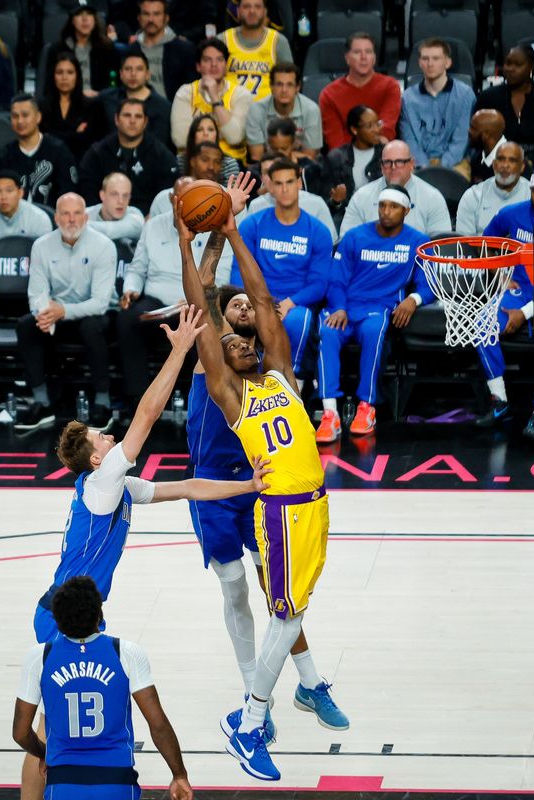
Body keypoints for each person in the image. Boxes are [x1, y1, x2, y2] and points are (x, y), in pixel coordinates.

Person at [17, 321, 271, 798]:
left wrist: (249, 485)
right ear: (95, 460)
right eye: (100, 438)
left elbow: (190, 487)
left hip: (75, 607)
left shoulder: (117, 489)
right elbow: (147, 415)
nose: (108, 437)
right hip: (59, 612)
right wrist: (177, 353)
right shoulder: (102, 483)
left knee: (56, 729)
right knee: (49, 733)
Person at [177, 186, 345, 784]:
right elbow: (199, 308)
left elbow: (267, 301)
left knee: (289, 612)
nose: (244, 340)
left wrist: (234, 231)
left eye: (251, 336)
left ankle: (282, 696)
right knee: (275, 608)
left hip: (307, 505)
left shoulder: (280, 377)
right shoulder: (231, 394)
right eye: (232, 339)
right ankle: (252, 715)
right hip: (261, 501)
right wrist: (189, 236)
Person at [13, 576, 195, 800]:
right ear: (99, 615)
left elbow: (20, 733)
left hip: (63, 784)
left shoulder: (39, 657)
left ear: (58, 621)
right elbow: (158, 724)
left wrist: (45, 754)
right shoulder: (125, 653)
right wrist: (179, 774)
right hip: (116, 783)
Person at [316, 183, 430, 442]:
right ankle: (329, 413)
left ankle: (366, 407)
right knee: (327, 331)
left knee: (374, 329)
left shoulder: (418, 242)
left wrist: (413, 299)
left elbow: (429, 283)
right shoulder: (355, 237)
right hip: (346, 306)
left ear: (406, 210)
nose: (386, 211)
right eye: (382, 205)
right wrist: (340, 307)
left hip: (380, 308)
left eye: (393, 207)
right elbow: (336, 279)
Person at [117, 177, 235, 405]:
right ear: (172, 199)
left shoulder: (213, 227)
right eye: (180, 198)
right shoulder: (153, 226)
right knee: (127, 319)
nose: (185, 203)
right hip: (157, 302)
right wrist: (130, 289)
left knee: (203, 326)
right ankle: (138, 399)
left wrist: (194, 298)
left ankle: (204, 399)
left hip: (196, 304)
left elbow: (219, 278)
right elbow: (137, 268)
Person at [471, 175, 534, 439]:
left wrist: (524, 313)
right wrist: (500, 274)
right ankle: (500, 401)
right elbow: (485, 243)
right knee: (482, 320)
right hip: (520, 289)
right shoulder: (511, 214)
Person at [14, 193, 117, 432]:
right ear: (56, 218)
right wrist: (44, 312)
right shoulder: (41, 246)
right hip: (58, 314)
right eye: (65, 214)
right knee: (26, 325)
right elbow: (36, 293)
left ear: (86, 217)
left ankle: (103, 402)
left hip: (96, 315)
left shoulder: (103, 246)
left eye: (77, 213)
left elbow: (100, 302)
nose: (71, 220)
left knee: (90, 327)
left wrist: (62, 311)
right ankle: (42, 402)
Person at [235, 159, 332, 381]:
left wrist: (289, 303)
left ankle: (293, 383)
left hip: (297, 302)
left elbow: (319, 284)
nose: (285, 189)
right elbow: (238, 271)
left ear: (300, 183)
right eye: (278, 183)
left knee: (298, 320)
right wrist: (254, 304)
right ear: (269, 186)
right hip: (257, 300)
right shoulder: (252, 224)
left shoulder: (318, 231)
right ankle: (251, 383)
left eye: (290, 182)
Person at [79, 97, 179, 215]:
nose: (132, 121)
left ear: (145, 122)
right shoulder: (97, 154)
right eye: (127, 115)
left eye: (138, 116)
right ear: (116, 119)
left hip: (147, 221)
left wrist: (151, 219)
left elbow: (166, 197)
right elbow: (87, 193)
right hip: (104, 221)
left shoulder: (161, 156)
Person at [338, 140, 451, 237]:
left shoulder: (432, 198)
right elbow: (346, 240)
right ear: (381, 166)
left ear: (412, 164)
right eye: (388, 162)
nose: (393, 167)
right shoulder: (361, 197)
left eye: (399, 162)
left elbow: (441, 246)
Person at [171, 37, 254, 163]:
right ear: (198, 66)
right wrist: (220, 133)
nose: (214, 65)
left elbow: (234, 137)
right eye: (207, 60)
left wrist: (215, 98)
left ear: (226, 65)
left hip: (231, 163)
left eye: (219, 59)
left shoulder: (241, 94)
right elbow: (180, 140)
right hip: (192, 164)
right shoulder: (186, 93)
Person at [399, 38, 475, 170]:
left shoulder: (465, 95)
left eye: (436, 58)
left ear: (447, 62)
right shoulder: (408, 98)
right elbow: (409, 139)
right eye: (425, 58)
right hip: (417, 164)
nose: (430, 64)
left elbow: (461, 140)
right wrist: (424, 167)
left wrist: (441, 168)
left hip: (456, 163)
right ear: (419, 63)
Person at [0, 93, 80, 208]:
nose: (20, 121)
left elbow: (69, 194)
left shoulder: (59, 151)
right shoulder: (3, 155)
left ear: (38, 117)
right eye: (15, 116)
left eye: (25, 115)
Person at [319, 33, 401, 150]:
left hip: (380, 153)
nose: (364, 57)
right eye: (357, 52)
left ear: (374, 57)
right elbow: (335, 141)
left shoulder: (390, 86)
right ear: (347, 58)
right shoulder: (329, 94)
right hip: (345, 158)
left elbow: (386, 129)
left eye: (368, 52)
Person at [245, 153, 337, 241]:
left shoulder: (316, 204)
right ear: (261, 178)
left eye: (277, 170)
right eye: (267, 172)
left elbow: (330, 244)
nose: (272, 176)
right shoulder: (255, 206)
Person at [95, 48, 173, 150]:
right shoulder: (106, 98)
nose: (133, 74)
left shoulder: (163, 107)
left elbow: (161, 147)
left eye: (139, 69)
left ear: (147, 75)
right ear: (121, 74)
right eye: (128, 69)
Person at [245, 62, 322, 163]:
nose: (284, 90)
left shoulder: (311, 110)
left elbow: (309, 158)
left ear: (297, 87)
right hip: (266, 169)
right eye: (279, 84)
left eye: (289, 85)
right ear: (271, 86)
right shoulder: (256, 110)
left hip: (301, 168)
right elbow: (257, 157)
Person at [473, 46, 534, 165]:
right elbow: (476, 141)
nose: (511, 69)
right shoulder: (488, 97)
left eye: (518, 65)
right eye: (508, 63)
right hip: (496, 164)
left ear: (531, 66)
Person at [222, 0, 290, 102]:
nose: (252, 11)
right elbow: (211, 81)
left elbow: (289, 82)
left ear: (265, 12)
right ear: (238, 11)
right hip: (229, 111)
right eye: (246, 7)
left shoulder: (279, 42)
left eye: (257, 7)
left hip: (267, 113)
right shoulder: (223, 40)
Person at [454, 140, 528, 234]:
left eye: (512, 160)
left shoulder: (532, 195)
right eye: (501, 159)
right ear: (494, 165)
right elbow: (464, 244)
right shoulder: (473, 196)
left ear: (522, 167)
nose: (505, 165)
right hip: (480, 248)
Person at [319, 105, 382, 214]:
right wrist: (336, 201)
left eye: (378, 124)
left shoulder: (387, 155)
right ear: (354, 129)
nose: (376, 130)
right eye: (369, 126)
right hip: (346, 216)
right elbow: (324, 203)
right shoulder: (336, 158)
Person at [40, 49, 101, 160]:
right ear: (53, 76)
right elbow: (40, 141)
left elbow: (90, 143)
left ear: (77, 76)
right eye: (59, 72)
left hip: (80, 162)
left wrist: (54, 135)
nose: (64, 77)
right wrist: (75, 135)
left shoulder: (91, 106)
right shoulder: (41, 106)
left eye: (70, 72)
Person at [131, 0, 197, 100]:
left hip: (172, 111)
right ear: (139, 18)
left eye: (156, 14)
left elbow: (192, 92)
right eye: (146, 14)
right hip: (134, 110)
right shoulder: (131, 50)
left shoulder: (184, 50)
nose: (151, 19)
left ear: (166, 18)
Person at [0, 170, 53, 247]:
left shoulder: (39, 218)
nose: (3, 197)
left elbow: (44, 257)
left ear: (20, 193)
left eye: (9, 191)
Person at [60, 1, 120, 96]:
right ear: (72, 20)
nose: (85, 19)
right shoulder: (59, 50)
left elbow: (114, 85)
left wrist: (99, 95)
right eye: (79, 14)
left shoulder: (107, 49)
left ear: (95, 19)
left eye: (89, 14)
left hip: (100, 101)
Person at [176, 114, 241, 180]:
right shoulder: (180, 160)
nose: (205, 133)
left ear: (216, 135)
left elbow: (231, 190)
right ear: (193, 136)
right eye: (199, 130)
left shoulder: (229, 163)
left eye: (210, 129)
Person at [455, 108, 508, 184]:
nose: (469, 131)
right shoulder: (477, 158)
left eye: (473, 128)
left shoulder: (512, 163)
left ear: (486, 135)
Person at [87, 171, 145, 240]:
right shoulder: (85, 214)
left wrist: (75, 226)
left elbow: (111, 230)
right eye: (114, 194)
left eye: (125, 195)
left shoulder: (136, 218)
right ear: (102, 195)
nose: (121, 201)